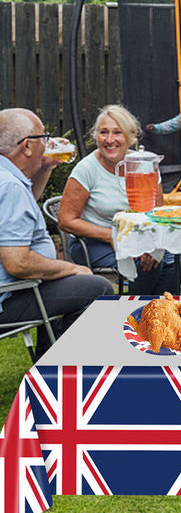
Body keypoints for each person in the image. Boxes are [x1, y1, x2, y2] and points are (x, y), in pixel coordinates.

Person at [0, 108, 110, 360]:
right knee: (97, 287)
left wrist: (45, 167)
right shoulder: (10, 186)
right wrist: (70, 268)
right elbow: (16, 262)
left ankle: (49, 363)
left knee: (67, 284)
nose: (48, 143)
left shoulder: (7, 178)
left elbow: (21, 208)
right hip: (8, 295)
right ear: (27, 147)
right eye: (43, 137)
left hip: (16, 287)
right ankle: (58, 370)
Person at [59, 104, 181, 295]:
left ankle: (159, 314)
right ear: (96, 137)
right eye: (104, 132)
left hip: (140, 237)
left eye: (117, 133)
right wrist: (111, 236)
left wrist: (152, 245)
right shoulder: (86, 169)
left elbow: (157, 214)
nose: (109, 140)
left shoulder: (145, 166)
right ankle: (133, 315)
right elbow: (66, 220)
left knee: (180, 260)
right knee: (146, 264)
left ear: (130, 137)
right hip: (94, 242)